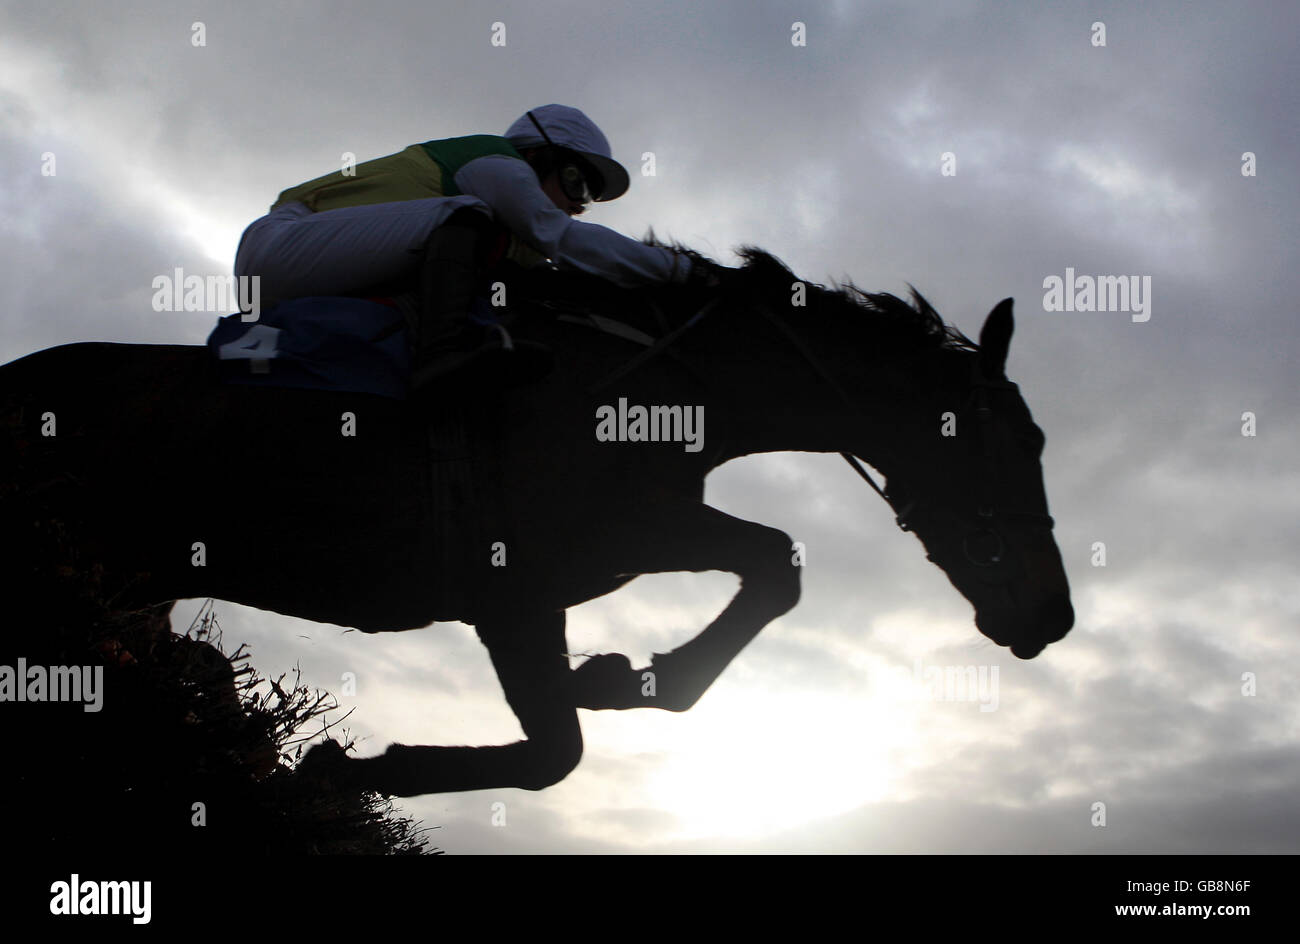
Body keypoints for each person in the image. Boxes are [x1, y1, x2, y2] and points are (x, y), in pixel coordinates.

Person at [234, 104, 708, 388]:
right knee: (469, 217)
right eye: (574, 182)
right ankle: (440, 357)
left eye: (587, 196)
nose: (578, 205)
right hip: (281, 246)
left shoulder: (512, 229)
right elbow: (562, 239)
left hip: (318, 277)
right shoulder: (495, 162)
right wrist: (679, 270)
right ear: (536, 155)